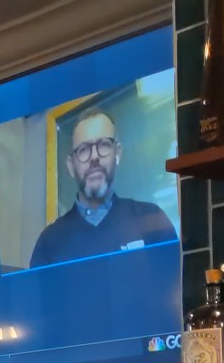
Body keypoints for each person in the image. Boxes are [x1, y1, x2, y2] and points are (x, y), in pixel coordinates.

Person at [28, 109, 178, 269]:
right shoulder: (48, 244)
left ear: (117, 153)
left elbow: (178, 283)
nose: (94, 157)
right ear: (71, 166)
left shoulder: (153, 221)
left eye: (104, 145)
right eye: (83, 149)